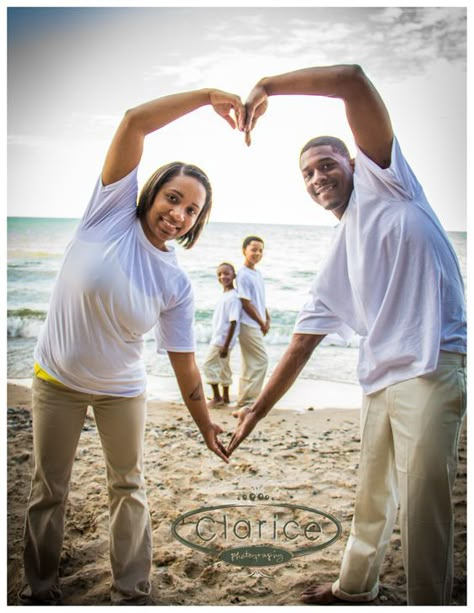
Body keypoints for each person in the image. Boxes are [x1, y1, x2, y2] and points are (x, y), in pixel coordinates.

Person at [228, 64, 467, 606]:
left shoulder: (388, 182)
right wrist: (255, 412)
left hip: (431, 366)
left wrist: (265, 85)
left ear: (354, 163)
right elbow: (300, 343)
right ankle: (354, 587)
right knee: (372, 494)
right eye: (307, 174)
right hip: (378, 378)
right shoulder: (338, 253)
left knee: (424, 499)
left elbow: (352, 81)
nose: (317, 178)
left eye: (326, 164)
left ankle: (427, 601)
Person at [20, 86, 245, 605]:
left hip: (122, 392)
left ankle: (131, 588)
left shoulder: (177, 283)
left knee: (129, 487)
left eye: (192, 210)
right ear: (150, 193)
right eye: (173, 198)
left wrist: (206, 423)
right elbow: (134, 123)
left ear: (197, 222)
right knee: (48, 491)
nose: (179, 214)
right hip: (57, 383)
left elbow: (185, 364)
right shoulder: (107, 215)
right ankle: (40, 587)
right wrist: (209, 96)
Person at [236, 235, 271, 407]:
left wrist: (267, 317)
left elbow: (259, 300)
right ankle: (250, 400)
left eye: (260, 250)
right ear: (244, 251)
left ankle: (244, 400)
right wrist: (261, 322)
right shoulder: (242, 274)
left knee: (250, 362)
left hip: (256, 323)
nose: (257, 253)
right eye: (253, 249)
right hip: (247, 323)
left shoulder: (257, 273)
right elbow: (245, 302)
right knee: (261, 360)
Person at [203, 262, 242, 407]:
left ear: (234, 276)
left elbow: (233, 322)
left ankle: (217, 397)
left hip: (222, 340)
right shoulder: (225, 295)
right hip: (221, 338)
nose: (223, 276)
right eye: (219, 274)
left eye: (226, 273)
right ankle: (225, 397)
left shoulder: (233, 297)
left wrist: (225, 345)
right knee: (224, 366)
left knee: (208, 365)